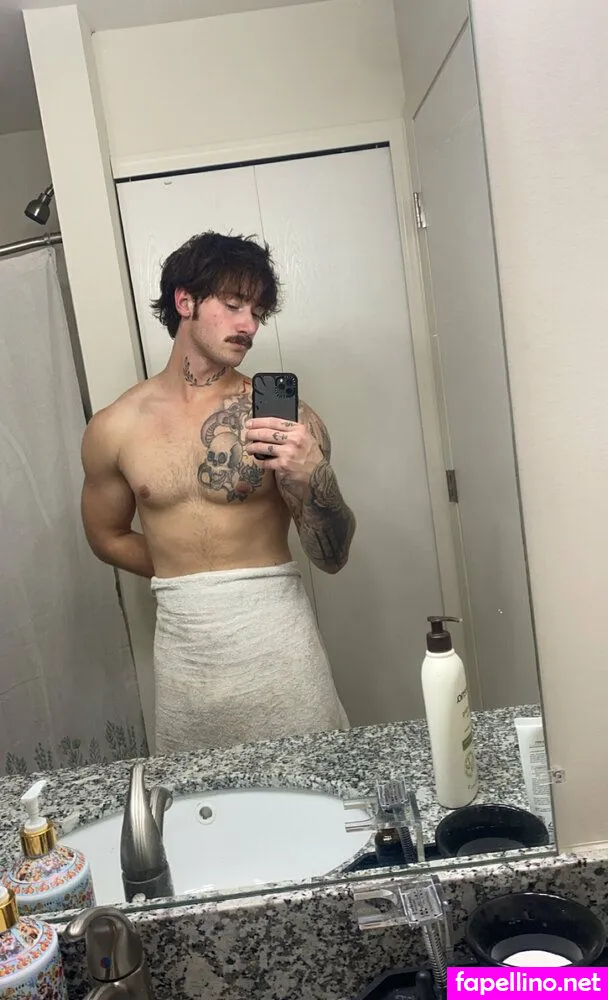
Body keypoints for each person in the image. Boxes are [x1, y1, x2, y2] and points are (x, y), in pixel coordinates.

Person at [81, 231, 356, 753]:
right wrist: (185, 571)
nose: (249, 325)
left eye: (257, 312)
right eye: (233, 305)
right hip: (186, 658)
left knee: (312, 781)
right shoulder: (115, 427)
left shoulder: (285, 419)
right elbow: (106, 536)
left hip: (279, 644)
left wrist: (312, 476)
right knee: (198, 795)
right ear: (185, 301)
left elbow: (334, 556)